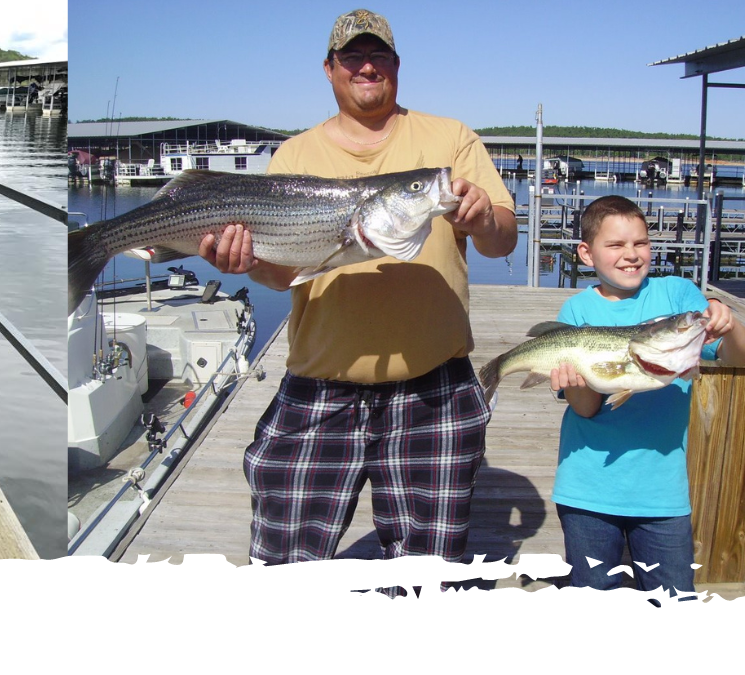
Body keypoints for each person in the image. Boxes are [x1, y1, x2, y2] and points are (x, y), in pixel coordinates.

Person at [199, 8, 517, 564]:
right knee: (283, 564)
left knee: (430, 575)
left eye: (380, 57)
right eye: (353, 57)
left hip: (433, 390)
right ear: (330, 69)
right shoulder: (295, 155)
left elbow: (502, 241)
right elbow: (282, 272)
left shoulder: (450, 139)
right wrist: (243, 261)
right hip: (321, 388)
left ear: (397, 65)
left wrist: (482, 217)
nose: (367, 66)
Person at [545, 195, 741, 598]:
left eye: (641, 243)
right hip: (587, 491)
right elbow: (586, 409)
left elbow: (737, 355)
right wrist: (576, 384)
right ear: (586, 253)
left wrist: (728, 323)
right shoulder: (577, 310)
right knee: (592, 603)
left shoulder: (679, 296)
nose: (631, 255)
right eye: (615, 246)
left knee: (674, 605)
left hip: (663, 496)